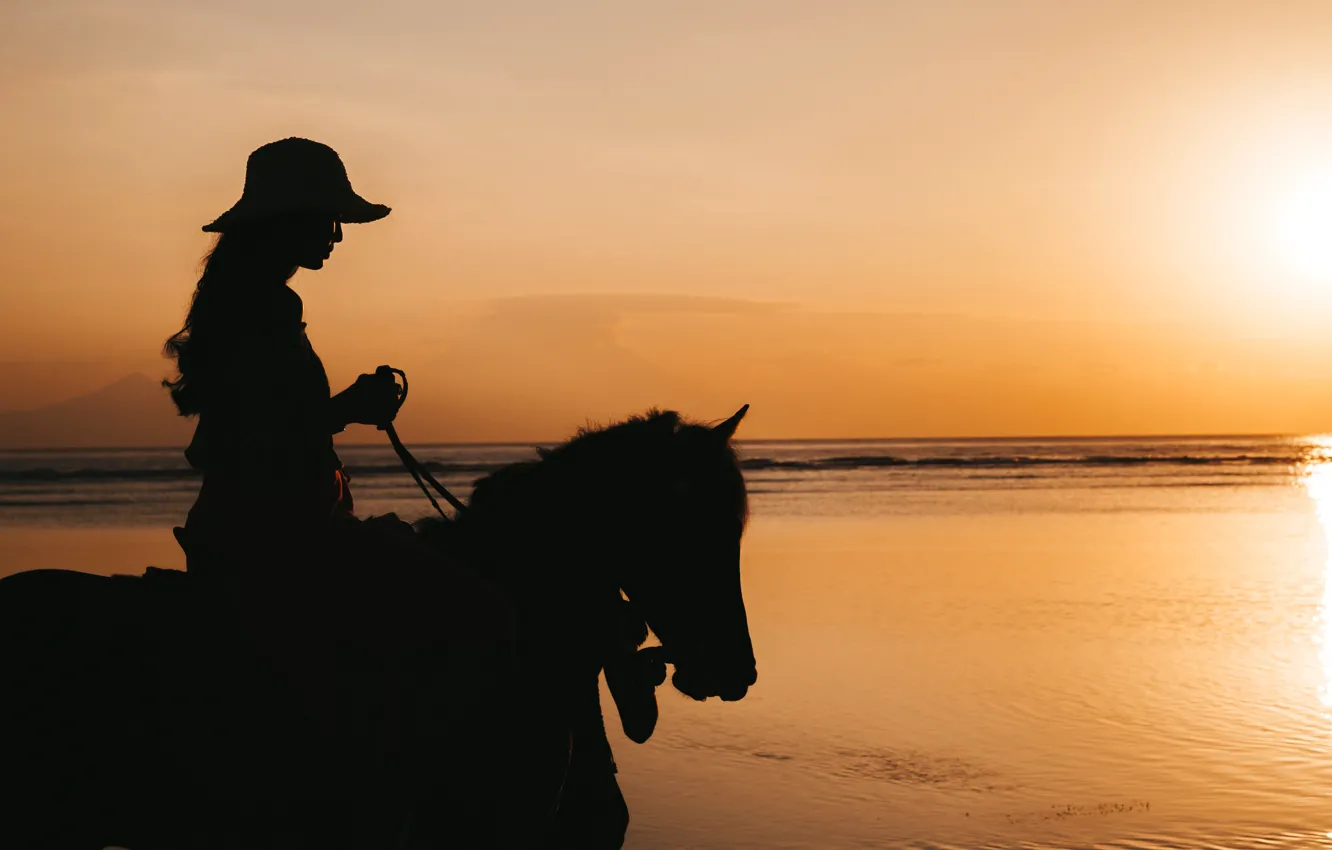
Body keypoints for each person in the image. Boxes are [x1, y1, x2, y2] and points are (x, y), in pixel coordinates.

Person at [162, 138, 520, 839]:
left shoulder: (252, 302)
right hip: (282, 540)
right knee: (479, 615)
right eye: (324, 219)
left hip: (269, 529)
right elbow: (245, 440)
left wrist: (335, 411)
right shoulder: (259, 310)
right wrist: (343, 408)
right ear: (285, 221)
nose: (334, 235)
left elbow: (241, 432)